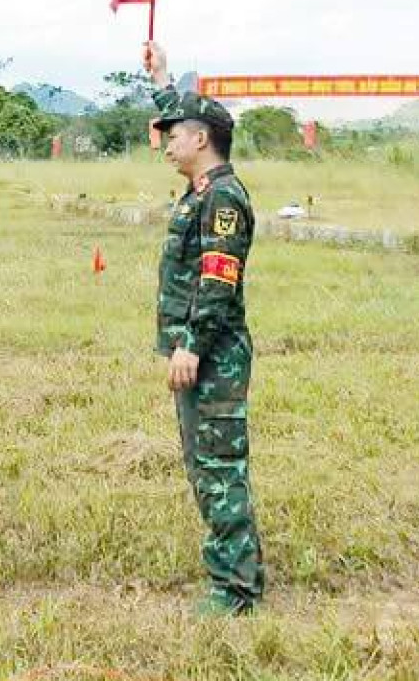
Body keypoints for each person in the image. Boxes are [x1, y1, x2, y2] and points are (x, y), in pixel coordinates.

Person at [144, 41, 266, 616]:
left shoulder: (222, 199)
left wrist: (190, 344)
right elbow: (181, 110)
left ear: (201, 139)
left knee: (219, 469)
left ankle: (236, 589)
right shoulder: (201, 190)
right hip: (200, 352)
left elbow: (218, 281)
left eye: (176, 133)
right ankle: (232, 577)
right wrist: (163, 79)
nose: (167, 142)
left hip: (212, 353)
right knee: (204, 465)